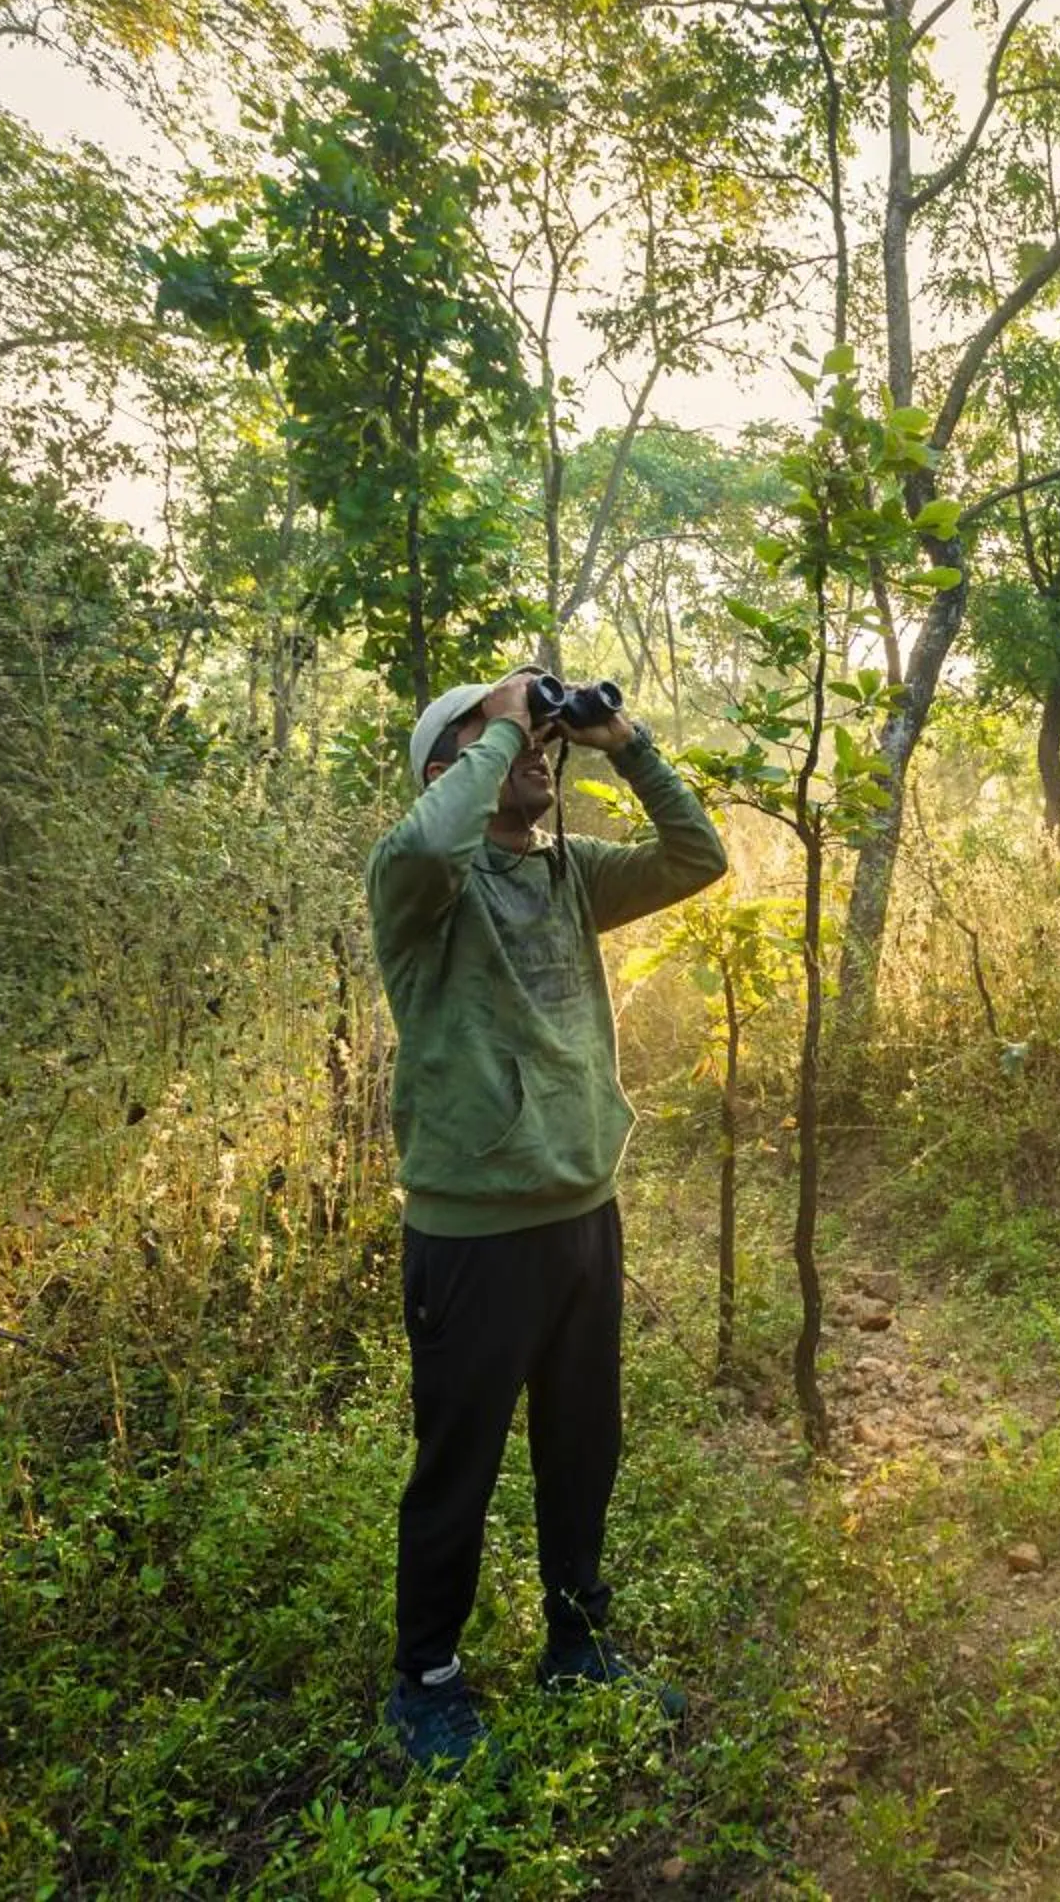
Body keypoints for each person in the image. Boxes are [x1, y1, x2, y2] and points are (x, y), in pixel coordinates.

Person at [368, 670, 730, 1769]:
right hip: (472, 1226)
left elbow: (698, 857)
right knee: (459, 1462)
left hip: (581, 1204)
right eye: (496, 735)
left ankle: (577, 1642)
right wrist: (498, 727)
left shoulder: (570, 872)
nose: (530, 743)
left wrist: (625, 741)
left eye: (532, 732)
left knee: (583, 1448)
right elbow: (428, 847)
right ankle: (425, 1681)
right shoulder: (420, 882)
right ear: (451, 768)